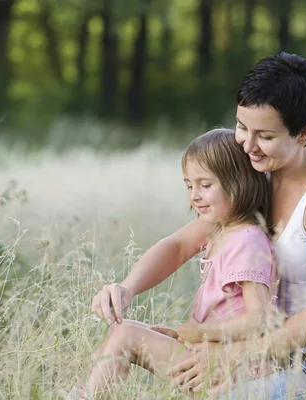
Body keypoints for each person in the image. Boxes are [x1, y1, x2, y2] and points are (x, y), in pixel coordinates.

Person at [91, 52, 306, 399]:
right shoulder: (259, 178)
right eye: (242, 127)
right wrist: (127, 288)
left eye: (265, 135)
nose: (247, 144)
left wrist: (231, 354)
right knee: (129, 335)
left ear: (303, 133)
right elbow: (182, 245)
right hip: (270, 357)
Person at [70, 128, 279, 398]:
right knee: (120, 330)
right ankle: (78, 393)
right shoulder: (221, 230)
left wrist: (202, 333)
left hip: (235, 370)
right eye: (189, 185)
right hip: (207, 353)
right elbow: (176, 246)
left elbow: (260, 319)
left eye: (205, 185)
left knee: (126, 336)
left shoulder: (246, 240)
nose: (194, 196)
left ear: (238, 183)